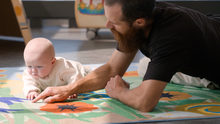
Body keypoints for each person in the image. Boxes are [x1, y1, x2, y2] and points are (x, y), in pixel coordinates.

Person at [32, 0, 220, 112]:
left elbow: (145, 103)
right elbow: (113, 68)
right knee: (145, 66)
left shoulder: (170, 36)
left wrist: (119, 92)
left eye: (114, 22)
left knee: (150, 77)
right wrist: (69, 88)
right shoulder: (141, 18)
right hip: (208, 33)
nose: (108, 25)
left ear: (139, 22)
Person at [23, 37, 90, 100]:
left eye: (39, 67)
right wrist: (31, 91)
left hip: (80, 71)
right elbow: (28, 83)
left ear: (52, 62)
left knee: (89, 78)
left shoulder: (62, 67)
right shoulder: (30, 73)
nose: (33, 70)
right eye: (29, 66)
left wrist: (72, 89)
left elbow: (74, 76)